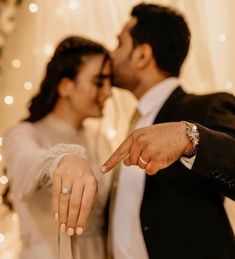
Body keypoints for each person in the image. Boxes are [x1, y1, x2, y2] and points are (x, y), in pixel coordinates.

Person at [101, 3, 235, 259]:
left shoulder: (204, 107)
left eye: (119, 44)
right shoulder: (133, 119)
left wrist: (190, 137)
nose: (112, 54)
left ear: (142, 55)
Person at [3, 36, 113, 259]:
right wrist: (61, 160)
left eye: (111, 82)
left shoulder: (100, 140)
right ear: (65, 87)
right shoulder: (23, 134)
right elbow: (26, 162)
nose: (109, 92)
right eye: (99, 82)